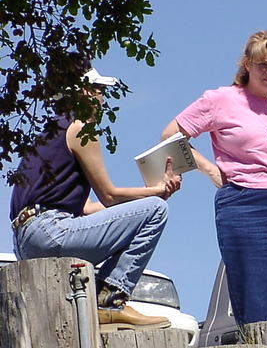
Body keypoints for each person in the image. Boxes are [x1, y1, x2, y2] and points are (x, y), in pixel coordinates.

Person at [162, 30, 267, 325]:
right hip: (246, 201)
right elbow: (170, 136)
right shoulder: (221, 99)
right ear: (247, 65)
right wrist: (211, 170)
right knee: (257, 304)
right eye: (263, 64)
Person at [9, 62, 182, 331]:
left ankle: (102, 304)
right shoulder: (80, 129)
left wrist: (143, 204)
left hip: (27, 239)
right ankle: (110, 301)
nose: (102, 97)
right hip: (51, 230)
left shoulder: (51, 132)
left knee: (150, 208)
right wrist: (156, 193)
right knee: (157, 210)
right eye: (99, 89)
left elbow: (90, 209)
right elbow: (109, 195)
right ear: (84, 92)